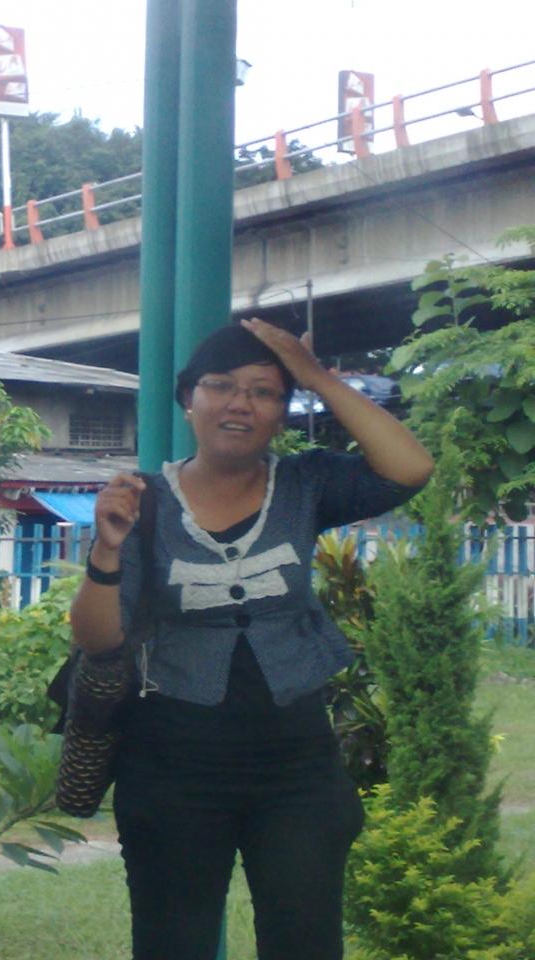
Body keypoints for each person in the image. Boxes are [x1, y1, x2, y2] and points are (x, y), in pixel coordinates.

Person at [69, 319, 434, 960]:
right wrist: (106, 549)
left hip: (296, 769)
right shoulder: (143, 501)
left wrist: (315, 376)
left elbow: (410, 468)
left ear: (281, 413)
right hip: (172, 768)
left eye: (264, 392)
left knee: (306, 945)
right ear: (189, 398)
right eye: (221, 385)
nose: (240, 403)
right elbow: (99, 640)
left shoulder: (306, 484)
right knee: (172, 946)